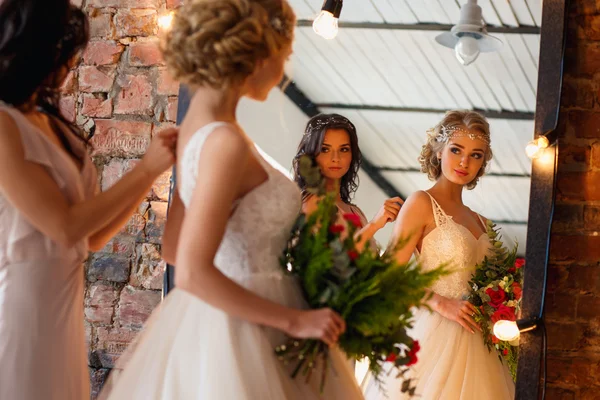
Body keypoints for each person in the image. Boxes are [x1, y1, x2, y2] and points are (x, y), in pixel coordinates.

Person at [99, 1, 364, 399]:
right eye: (284, 56)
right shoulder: (224, 141)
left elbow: (172, 247)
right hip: (246, 331)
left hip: (213, 324)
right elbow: (189, 272)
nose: (282, 73)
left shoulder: (195, 129)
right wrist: (295, 321)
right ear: (255, 53)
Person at [0, 2, 176, 400]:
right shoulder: (4, 124)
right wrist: (145, 170)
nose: (69, 64)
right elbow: (64, 227)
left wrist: (148, 178)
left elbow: (92, 237)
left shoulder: (52, 124)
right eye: (62, 50)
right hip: (22, 308)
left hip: (63, 304)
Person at [363, 110, 515, 399]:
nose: (464, 162)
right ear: (438, 151)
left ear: (483, 163)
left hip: (478, 344)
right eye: (456, 150)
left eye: (476, 155)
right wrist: (441, 303)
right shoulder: (421, 202)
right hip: (431, 334)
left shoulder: (483, 222)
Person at [294, 113, 402, 252]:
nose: (335, 158)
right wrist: (374, 225)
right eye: (325, 149)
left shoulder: (355, 211)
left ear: (352, 154)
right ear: (311, 154)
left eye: (343, 149)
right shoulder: (312, 203)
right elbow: (333, 263)